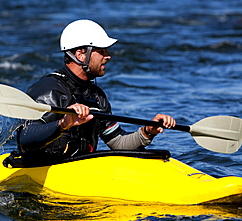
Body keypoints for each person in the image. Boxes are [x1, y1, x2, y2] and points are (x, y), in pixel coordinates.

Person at [15, 19, 176, 166]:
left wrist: (147, 131)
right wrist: (63, 124)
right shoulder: (49, 89)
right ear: (80, 55)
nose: (108, 56)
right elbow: (25, 138)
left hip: (80, 168)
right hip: (41, 167)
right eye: (101, 51)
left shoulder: (96, 96)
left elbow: (118, 143)